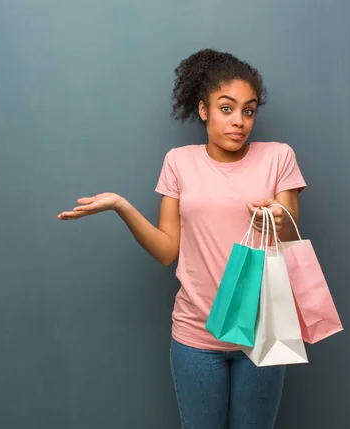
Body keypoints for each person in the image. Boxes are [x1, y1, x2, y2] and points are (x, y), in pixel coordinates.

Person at [57, 48, 306, 429]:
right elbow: (166, 251)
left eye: (248, 110)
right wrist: (121, 206)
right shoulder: (179, 162)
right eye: (226, 108)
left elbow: (289, 233)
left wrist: (277, 215)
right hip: (196, 338)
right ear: (203, 109)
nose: (239, 121)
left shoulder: (278, 157)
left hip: (262, 335)